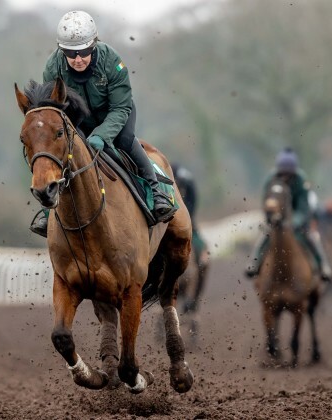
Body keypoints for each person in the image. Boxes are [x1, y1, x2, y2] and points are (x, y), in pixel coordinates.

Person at [29, 10, 176, 237]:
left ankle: (156, 191)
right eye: (71, 53)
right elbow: (54, 111)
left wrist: (102, 134)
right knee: (59, 149)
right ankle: (48, 211)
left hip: (115, 113)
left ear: (94, 45)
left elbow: (121, 107)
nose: (78, 59)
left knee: (126, 140)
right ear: (62, 50)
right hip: (77, 120)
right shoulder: (52, 67)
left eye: (84, 52)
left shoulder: (112, 62)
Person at [245, 147, 332, 282]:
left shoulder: (301, 180)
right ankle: (254, 263)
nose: (285, 177)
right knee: (265, 236)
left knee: (311, 237)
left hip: (297, 219)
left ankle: (323, 266)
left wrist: (294, 222)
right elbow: (266, 203)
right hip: (276, 218)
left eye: (288, 174)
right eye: (283, 173)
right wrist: (271, 218)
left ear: (293, 172)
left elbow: (304, 207)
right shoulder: (271, 179)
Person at [171, 163, 209, 313]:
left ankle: (195, 298)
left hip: (189, 223)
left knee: (203, 253)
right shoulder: (162, 182)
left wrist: (188, 218)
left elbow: (193, 203)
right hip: (167, 223)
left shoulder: (187, 182)